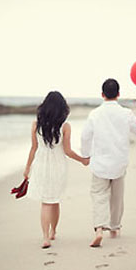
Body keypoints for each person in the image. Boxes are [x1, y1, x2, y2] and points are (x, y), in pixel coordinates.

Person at [81, 78, 136, 247]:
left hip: (99, 163)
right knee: (117, 197)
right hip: (119, 162)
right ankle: (114, 228)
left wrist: (85, 155)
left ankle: (99, 229)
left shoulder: (94, 114)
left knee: (99, 196)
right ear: (118, 94)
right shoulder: (126, 113)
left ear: (102, 94)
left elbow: (85, 136)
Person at [23, 91, 90, 249]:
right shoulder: (65, 126)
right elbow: (67, 151)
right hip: (58, 166)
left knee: (46, 202)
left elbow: (33, 148)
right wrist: (82, 160)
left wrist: (27, 168)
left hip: (41, 165)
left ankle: (46, 237)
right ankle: (53, 231)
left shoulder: (35, 125)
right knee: (54, 200)